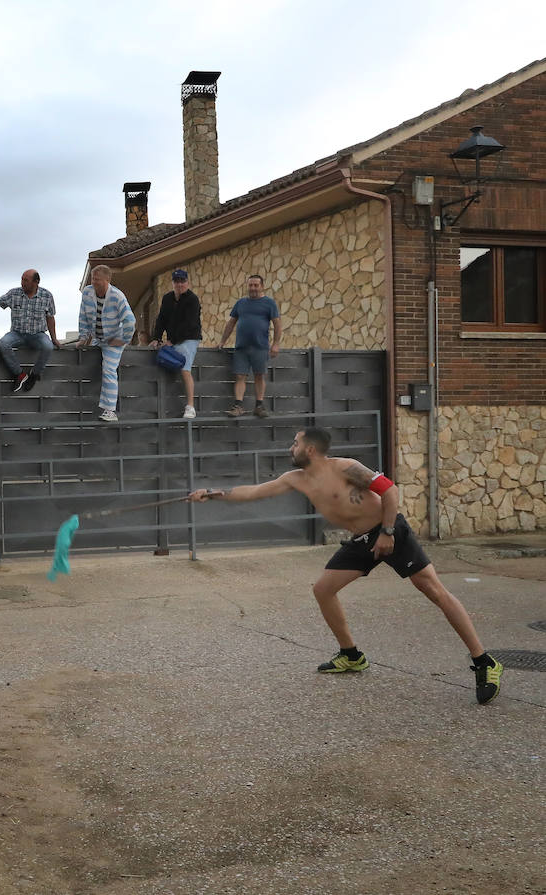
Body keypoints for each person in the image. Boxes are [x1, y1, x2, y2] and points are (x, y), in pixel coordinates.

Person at [188, 427, 503, 705]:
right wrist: (212, 494)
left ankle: (484, 661)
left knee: (434, 591)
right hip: (361, 541)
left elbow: (390, 491)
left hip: (390, 531)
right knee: (323, 590)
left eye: (294, 443)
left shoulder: (347, 468)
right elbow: (253, 492)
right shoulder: (295, 479)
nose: (290, 448)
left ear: (310, 449)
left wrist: (388, 532)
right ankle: (351, 655)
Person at [0, 270, 60, 394]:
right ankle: (20, 374)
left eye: (26, 280)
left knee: (48, 347)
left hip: (38, 334)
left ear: (36, 282)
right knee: (3, 343)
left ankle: (34, 374)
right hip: (17, 333)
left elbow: (50, 317)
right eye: (22, 279)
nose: (22, 283)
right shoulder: (14, 293)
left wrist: (54, 338)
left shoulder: (47, 296)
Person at [74, 264, 136, 422]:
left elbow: (130, 321)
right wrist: (83, 338)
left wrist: (123, 340)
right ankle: (83, 405)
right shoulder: (87, 292)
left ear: (107, 280)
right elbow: (83, 316)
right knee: (87, 365)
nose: (94, 282)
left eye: (98, 280)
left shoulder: (117, 296)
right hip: (96, 338)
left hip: (114, 340)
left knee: (108, 369)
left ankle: (110, 411)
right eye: (93, 279)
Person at [219, 274, 282, 418]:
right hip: (241, 347)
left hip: (260, 347)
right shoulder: (241, 303)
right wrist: (222, 341)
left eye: (256, 285)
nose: (253, 288)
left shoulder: (269, 303)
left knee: (259, 376)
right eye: (250, 285)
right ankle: (238, 406)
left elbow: (277, 324)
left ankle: (259, 406)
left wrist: (276, 344)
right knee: (240, 376)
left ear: (262, 286)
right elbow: (231, 323)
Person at [149, 269, 204, 419]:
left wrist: (172, 341)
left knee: (185, 369)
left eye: (182, 281)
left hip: (189, 338)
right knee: (164, 363)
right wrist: (157, 337)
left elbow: (190, 324)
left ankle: (190, 406)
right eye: (177, 281)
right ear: (172, 283)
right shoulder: (167, 298)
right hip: (172, 340)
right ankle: (162, 405)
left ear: (187, 282)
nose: (180, 284)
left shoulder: (192, 300)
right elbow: (161, 320)